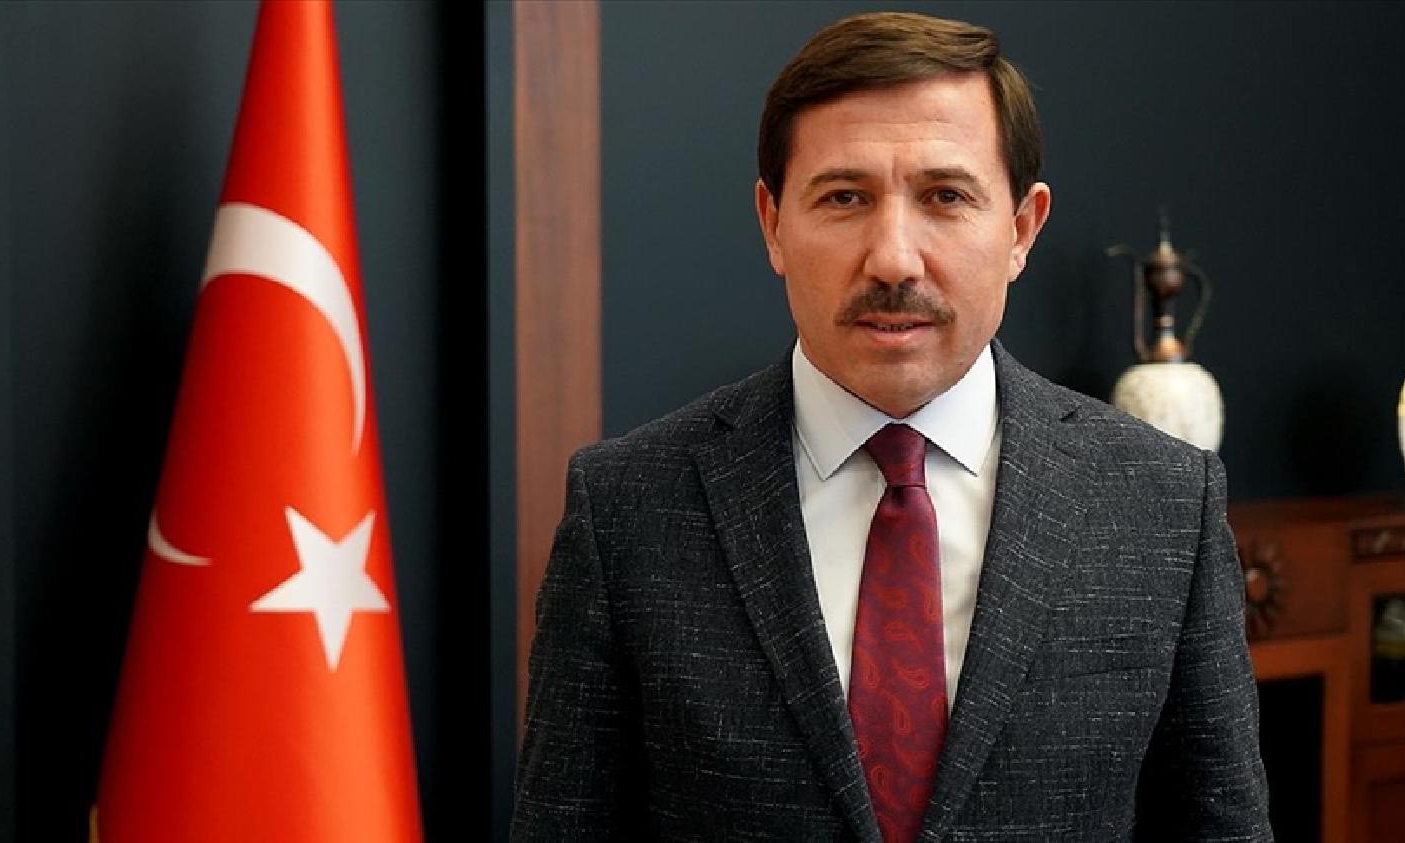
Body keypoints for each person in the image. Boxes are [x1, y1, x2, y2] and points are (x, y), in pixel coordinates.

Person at [512, 11, 1270, 841]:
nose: (893, 259)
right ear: (772, 222)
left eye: (946, 197)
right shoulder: (626, 509)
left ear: (1021, 228)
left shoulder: (1166, 505)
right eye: (845, 197)